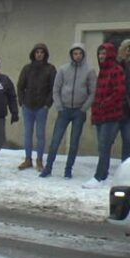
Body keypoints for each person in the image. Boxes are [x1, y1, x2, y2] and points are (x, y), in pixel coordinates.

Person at [40, 43, 96, 179]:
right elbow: (56, 89)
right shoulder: (63, 69)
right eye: (75, 53)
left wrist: (84, 108)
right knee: (55, 141)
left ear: (83, 55)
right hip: (64, 110)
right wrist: (59, 106)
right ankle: (48, 168)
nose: (77, 56)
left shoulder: (89, 70)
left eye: (80, 53)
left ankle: (68, 169)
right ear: (71, 55)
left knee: (74, 142)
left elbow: (93, 92)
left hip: (79, 111)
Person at [83, 43, 127, 188]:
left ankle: (99, 176)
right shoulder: (102, 71)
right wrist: (96, 110)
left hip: (112, 115)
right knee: (103, 147)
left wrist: (104, 104)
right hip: (100, 115)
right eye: (100, 53)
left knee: (104, 145)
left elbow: (119, 91)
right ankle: (103, 176)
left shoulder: (116, 70)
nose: (101, 56)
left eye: (104, 53)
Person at [16, 43, 56, 171]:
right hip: (28, 106)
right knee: (28, 134)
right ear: (33, 54)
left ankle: (39, 160)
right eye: (37, 52)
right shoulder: (27, 69)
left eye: (41, 52)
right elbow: (20, 86)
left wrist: (47, 104)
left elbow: (53, 88)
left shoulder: (50, 69)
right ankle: (28, 159)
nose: (39, 54)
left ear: (45, 54)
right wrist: (21, 101)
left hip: (41, 107)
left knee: (40, 134)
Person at [117, 39, 130, 162]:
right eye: (127, 49)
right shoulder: (118, 65)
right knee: (107, 140)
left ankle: (125, 165)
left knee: (127, 139)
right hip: (116, 108)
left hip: (128, 109)